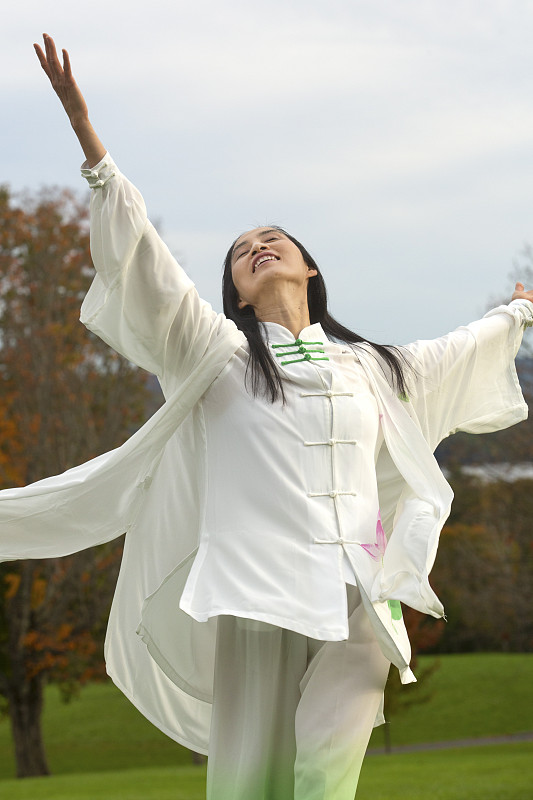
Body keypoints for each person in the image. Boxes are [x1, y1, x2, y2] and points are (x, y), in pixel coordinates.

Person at [0, 33, 531, 800]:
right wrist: (92, 145)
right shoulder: (217, 359)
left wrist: (515, 311)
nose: (258, 246)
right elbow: (148, 268)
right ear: (236, 297)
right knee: (249, 781)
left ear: (309, 269)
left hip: (359, 589)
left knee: (323, 768)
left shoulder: (373, 369)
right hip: (255, 592)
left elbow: (459, 349)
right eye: (241, 251)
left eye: (272, 239)